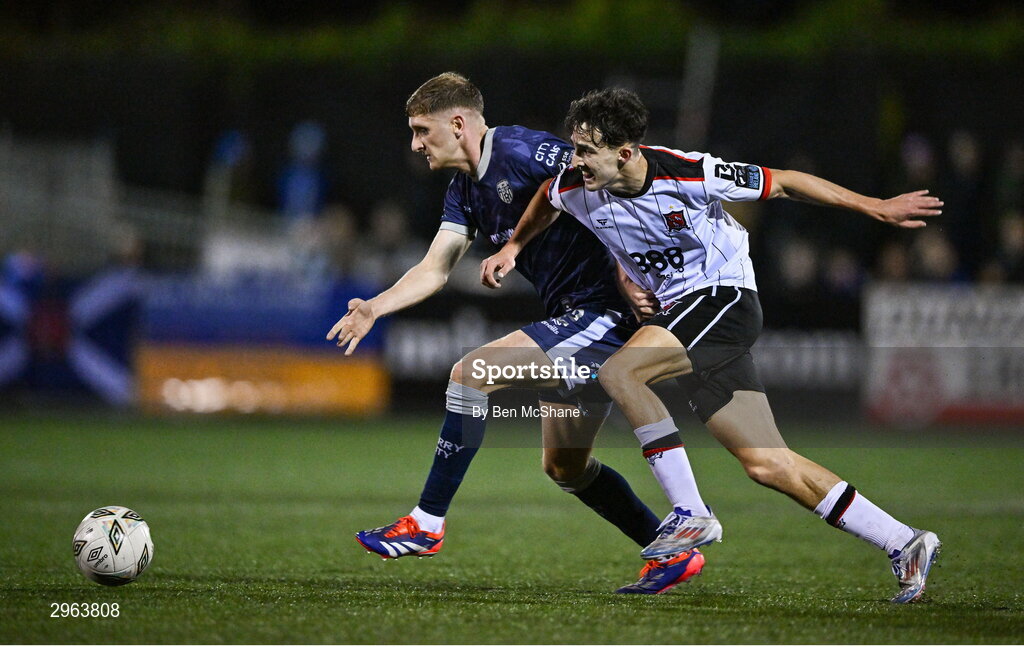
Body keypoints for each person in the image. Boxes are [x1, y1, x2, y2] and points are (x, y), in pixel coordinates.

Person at [480, 88, 944, 604]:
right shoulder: (576, 185)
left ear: (626, 152)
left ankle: (691, 513)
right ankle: (905, 541)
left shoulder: (690, 172)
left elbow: (785, 183)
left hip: (723, 299)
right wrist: (513, 247)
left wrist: (873, 205)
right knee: (769, 463)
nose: (576, 161)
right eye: (575, 148)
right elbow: (546, 197)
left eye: (588, 151)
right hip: (684, 318)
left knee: (620, 373)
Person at [326, 73, 705, 594]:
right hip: (575, 318)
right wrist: (374, 308)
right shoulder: (464, 190)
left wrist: (631, 271)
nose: (415, 143)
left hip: (604, 315)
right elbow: (436, 267)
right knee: (565, 467)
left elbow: (611, 181)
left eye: (421, 130)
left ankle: (426, 522)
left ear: (458, 124)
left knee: (471, 374)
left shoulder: (528, 151)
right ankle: (671, 553)